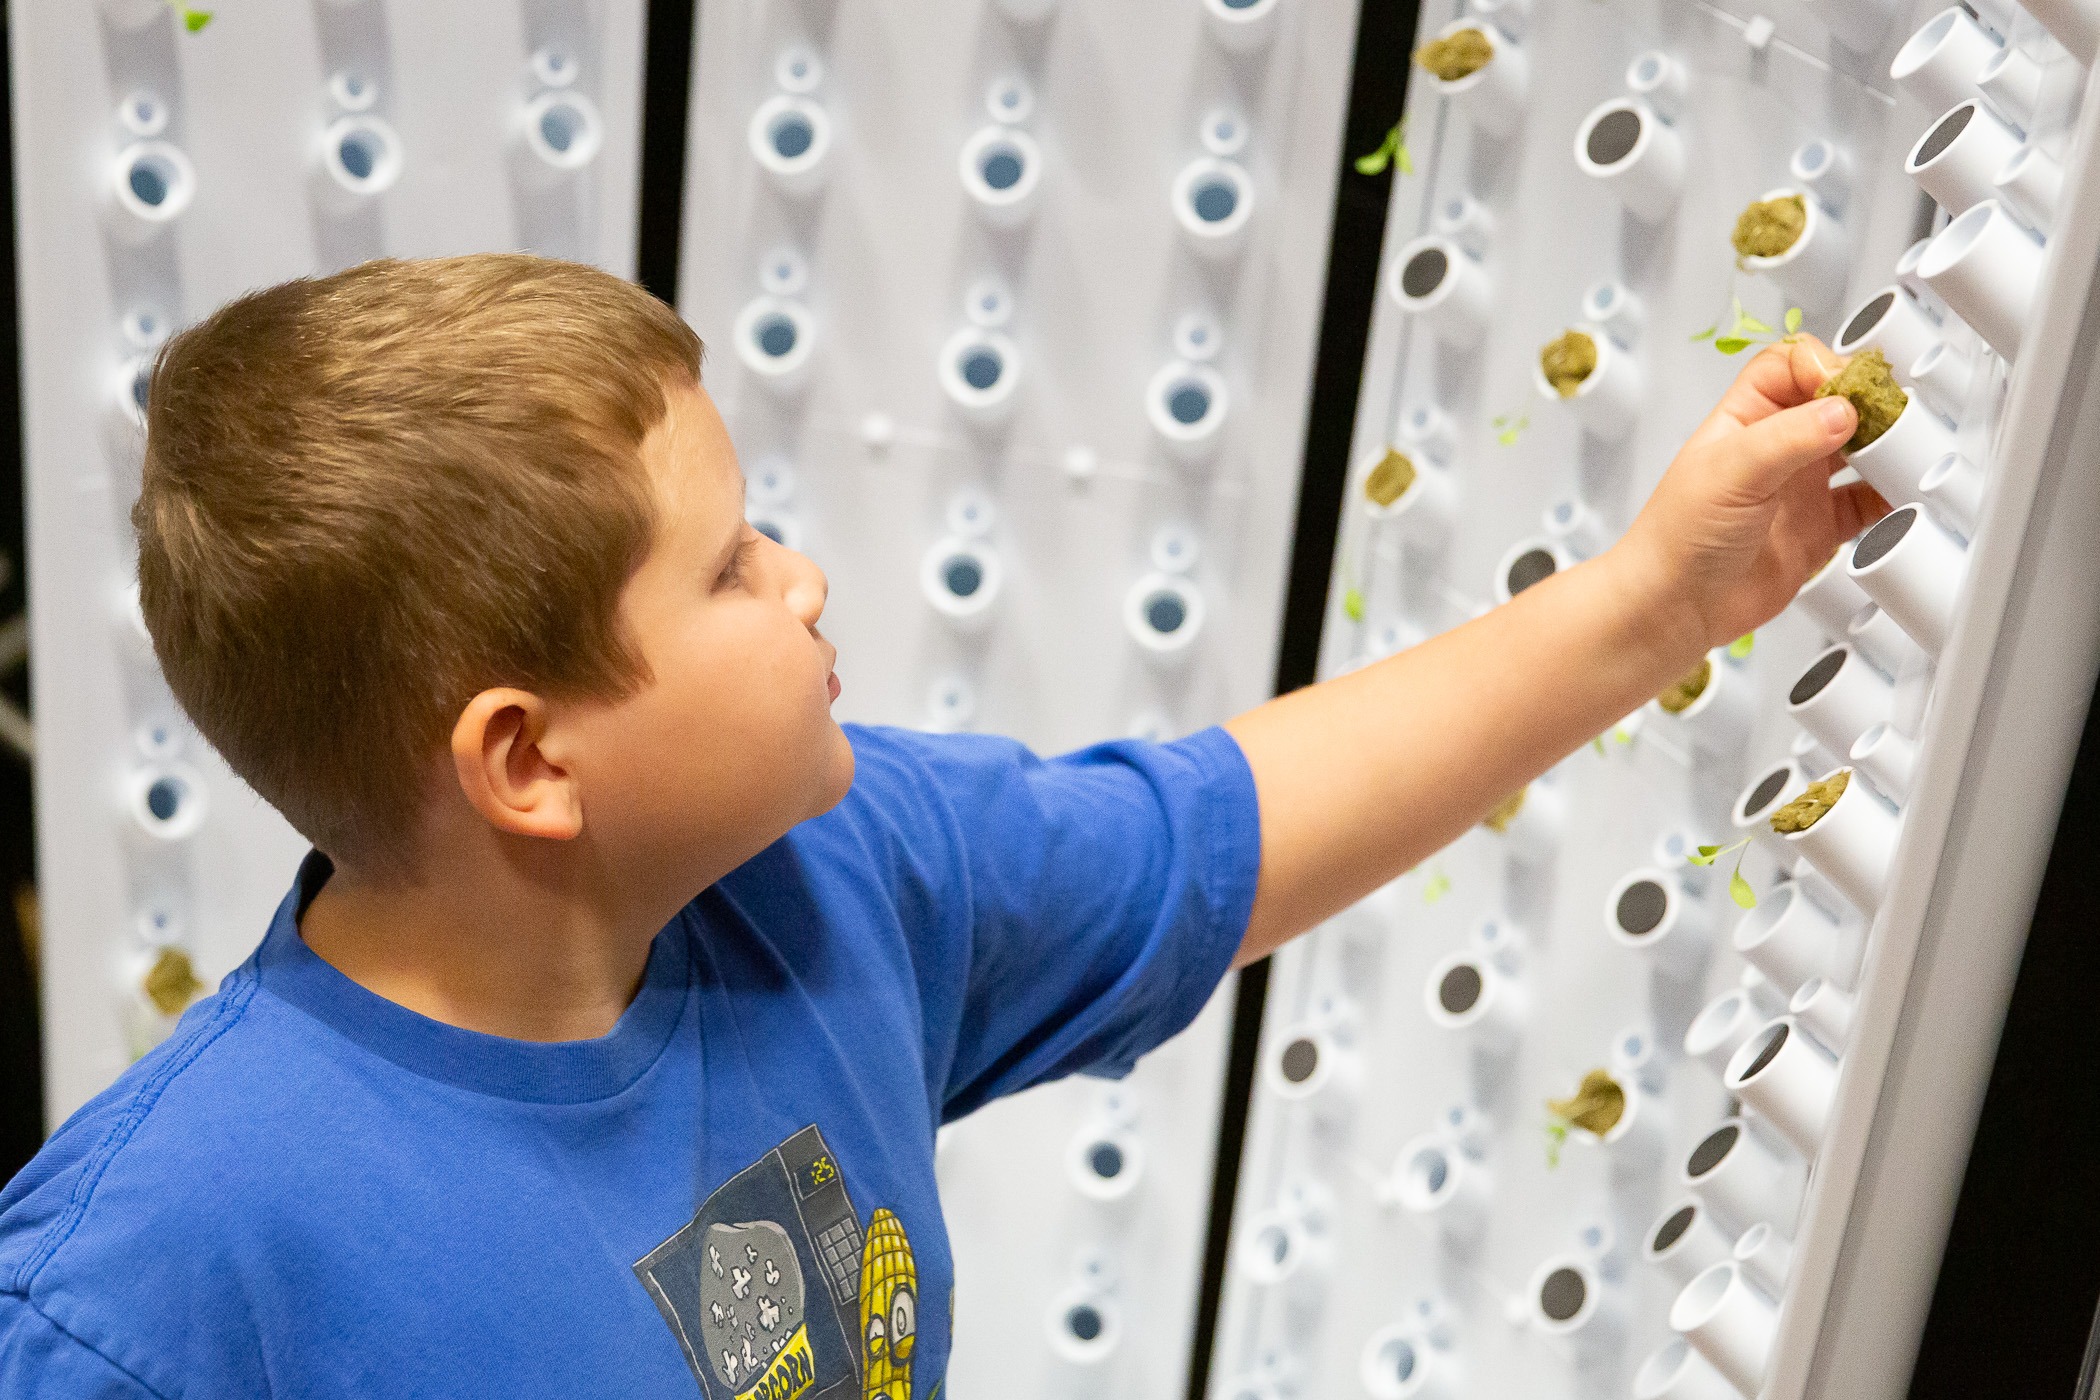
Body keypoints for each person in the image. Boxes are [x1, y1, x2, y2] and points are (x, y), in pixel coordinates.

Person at [0, 255, 1876, 1397]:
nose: (803, 581)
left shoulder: (821, 882)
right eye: (729, 569)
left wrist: (1662, 598)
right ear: (527, 763)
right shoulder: (146, 1280)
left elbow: (1207, 839)